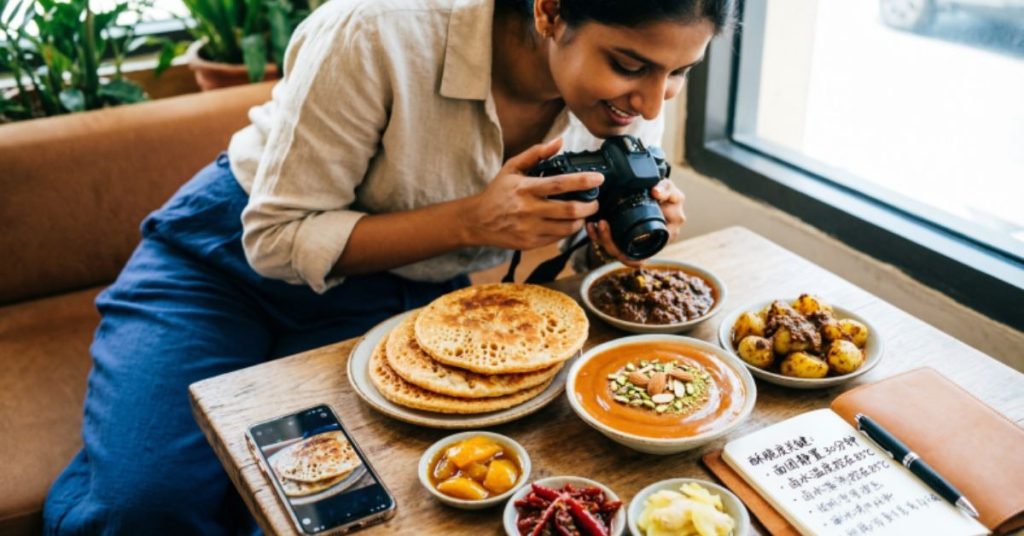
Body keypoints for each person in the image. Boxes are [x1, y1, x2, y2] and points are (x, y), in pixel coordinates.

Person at [43, 0, 732, 533]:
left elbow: (582, 221)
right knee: (144, 507)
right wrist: (473, 221)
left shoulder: (632, 96)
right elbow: (276, 237)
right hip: (221, 264)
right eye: (631, 65)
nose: (650, 104)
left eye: (680, 74)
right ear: (551, 10)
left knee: (331, 507)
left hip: (401, 298)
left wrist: (610, 237)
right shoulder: (376, 30)